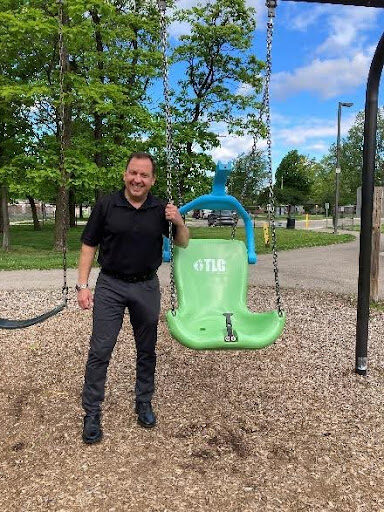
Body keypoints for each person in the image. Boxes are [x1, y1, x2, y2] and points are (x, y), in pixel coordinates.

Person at [76, 152, 189, 444]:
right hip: (111, 285)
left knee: (147, 349)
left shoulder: (161, 208)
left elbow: (183, 242)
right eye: (133, 173)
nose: (137, 179)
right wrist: (82, 285)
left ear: (152, 180)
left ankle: (143, 401)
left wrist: (178, 221)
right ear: (125, 174)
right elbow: (89, 245)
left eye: (144, 175)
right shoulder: (106, 205)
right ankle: (91, 411)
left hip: (146, 286)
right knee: (100, 350)